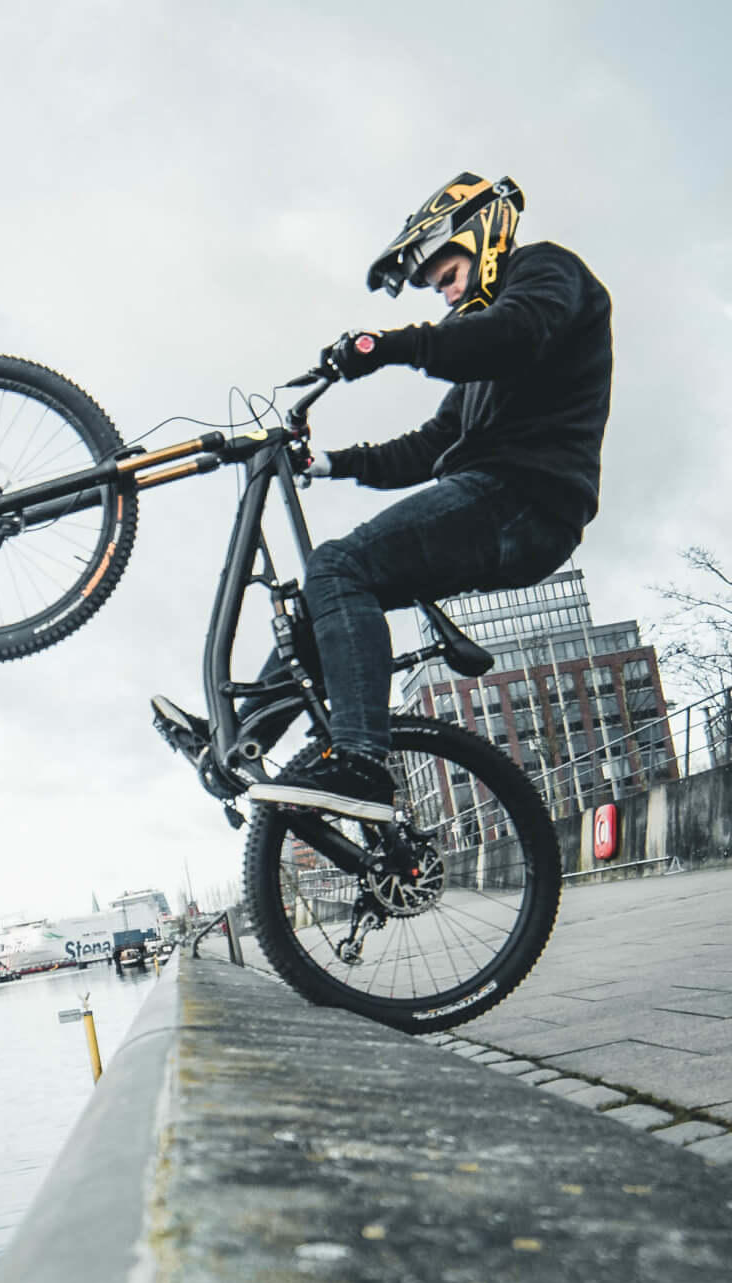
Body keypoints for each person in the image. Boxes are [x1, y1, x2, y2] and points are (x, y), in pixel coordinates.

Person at [236, 170, 612, 820]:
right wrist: (323, 463)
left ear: (482, 236)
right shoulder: (483, 362)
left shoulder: (547, 273)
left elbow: (513, 333)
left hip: (525, 498)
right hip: (495, 500)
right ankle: (243, 744)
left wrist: (388, 346)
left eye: (448, 276)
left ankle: (360, 759)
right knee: (324, 607)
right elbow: (428, 444)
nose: (447, 295)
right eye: (440, 287)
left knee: (338, 565)